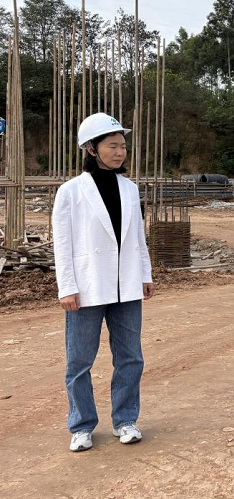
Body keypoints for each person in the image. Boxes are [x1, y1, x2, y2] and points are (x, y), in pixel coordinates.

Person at [52, 113, 154, 453]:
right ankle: (81, 425)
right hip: (87, 286)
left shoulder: (130, 189)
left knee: (130, 357)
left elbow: (138, 237)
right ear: (91, 149)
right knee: (79, 361)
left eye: (123, 145)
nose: (120, 152)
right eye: (112, 145)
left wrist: (145, 275)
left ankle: (125, 420)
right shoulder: (70, 192)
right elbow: (62, 244)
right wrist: (66, 286)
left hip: (127, 286)